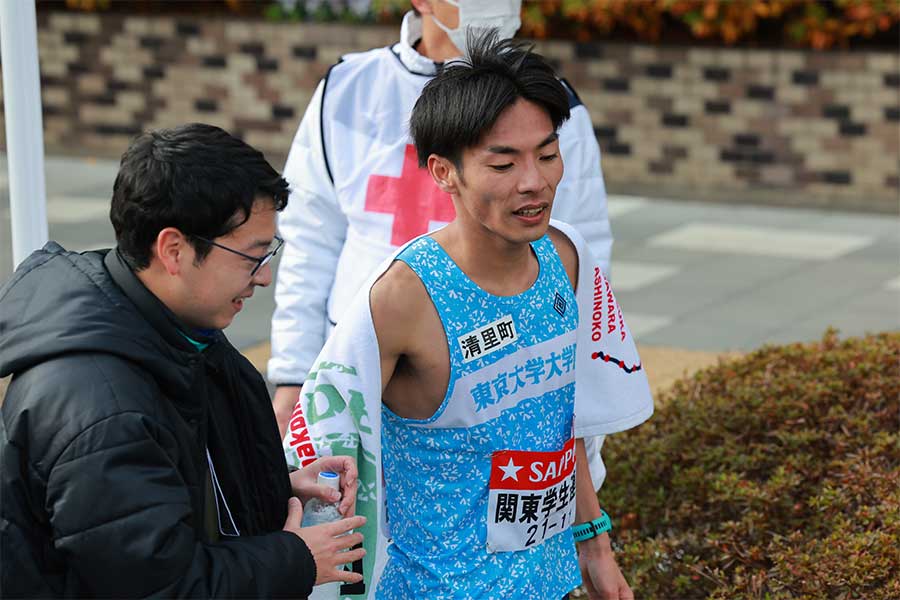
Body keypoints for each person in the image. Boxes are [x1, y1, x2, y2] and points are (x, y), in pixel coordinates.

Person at [283, 33, 653, 599]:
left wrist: (595, 547)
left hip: (550, 583)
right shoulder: (402, 298)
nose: (534, 182)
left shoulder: (566, 259)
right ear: (442, 171)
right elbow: (328, 449)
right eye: (503, 163)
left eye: (548, 155)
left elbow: (564, 419)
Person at [0, 123, 366, 597]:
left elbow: (176, 490)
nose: (265, 276)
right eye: (252, 256)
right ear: (174, 250)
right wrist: (296, 558)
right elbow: (157, 586)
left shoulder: (175, 328)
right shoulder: (100, 408)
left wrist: (281, 486)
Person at [269, 0, 614, 439]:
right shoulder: (347, 88)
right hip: (359, 361)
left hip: (497, 374)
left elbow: (583, 253)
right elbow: (310, 237)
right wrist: (294, 372)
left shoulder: (546, 101)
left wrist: (579, 414)